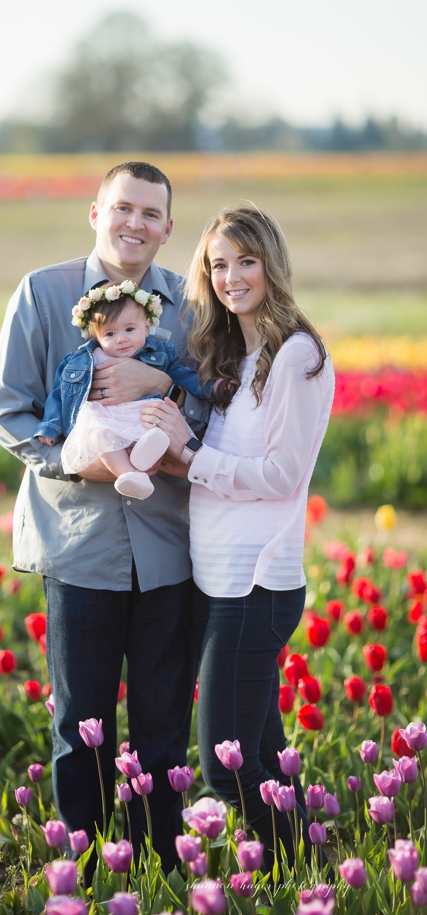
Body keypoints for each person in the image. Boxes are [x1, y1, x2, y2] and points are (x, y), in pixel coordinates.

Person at [0, 161, 212, 872]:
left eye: (151, 214)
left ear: (169, 228)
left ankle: (156, 872)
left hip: (171, 546)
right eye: (123, 209)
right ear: (96, 213)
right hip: (78, 544)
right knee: (78, 722)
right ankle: (82, 868)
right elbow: (8, 413)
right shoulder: (43, 295)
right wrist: (78, 462)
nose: (135, 224)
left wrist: (163, 388)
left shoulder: (193, 307)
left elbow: (221, 412)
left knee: (162, 724)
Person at [137, 203, 333, 866]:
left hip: (258, 581)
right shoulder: (235, 358)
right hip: (219, 581)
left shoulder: (297, 355)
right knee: (266, 759)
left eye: (245, 260)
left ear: (270, 264)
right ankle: (312, 878)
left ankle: (292, 878)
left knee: (227, 766)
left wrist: (188, 459)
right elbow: (228, 465)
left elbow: (281, 474)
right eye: (218, 264)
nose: (231, 276)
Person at [32, 281, 207, 500]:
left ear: (147, 327)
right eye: (110, 334)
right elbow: (59, 395)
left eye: (129, 330)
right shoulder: (84, 361)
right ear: (96, 336)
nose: (121, 339)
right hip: (106, 420)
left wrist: (210, 387)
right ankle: (129, 474)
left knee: (160, 429)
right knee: (100, 436)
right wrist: (50, 427)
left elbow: (185, 377)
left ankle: (142, 459)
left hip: (144, 419)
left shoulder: (159, 354)